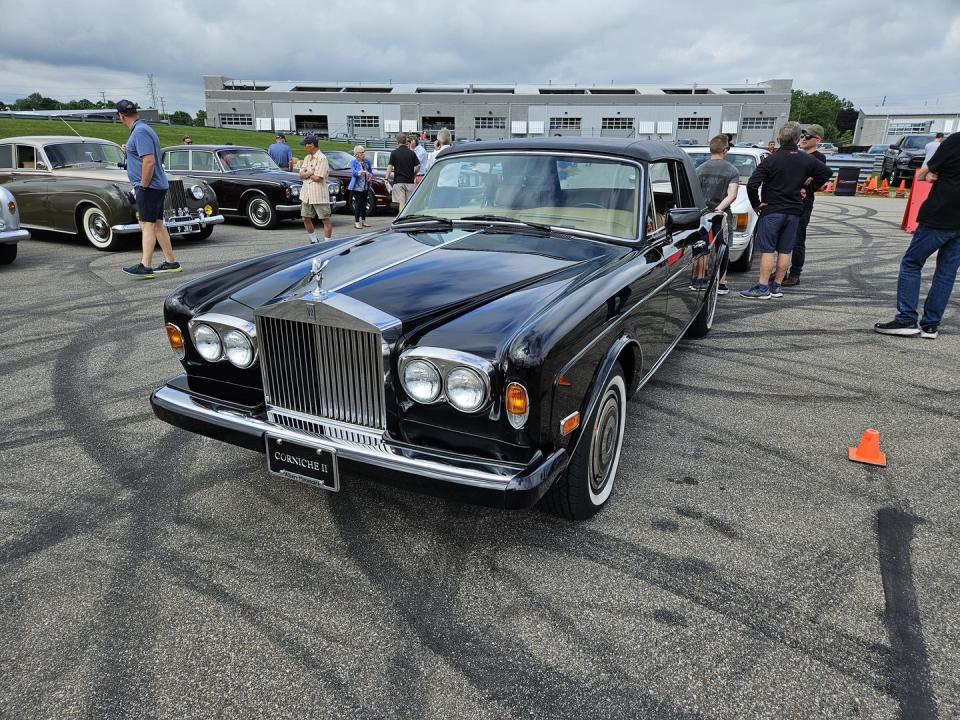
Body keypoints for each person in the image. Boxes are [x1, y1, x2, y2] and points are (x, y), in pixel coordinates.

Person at [874, 131, 960, 339]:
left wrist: (929, 175)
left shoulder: (956, 141)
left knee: (912, 263)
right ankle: (931, 324)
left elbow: (924, 172)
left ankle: (906, 319)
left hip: (941, 213)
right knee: (946, 272)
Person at [740, 121, 832, 299]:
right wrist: (809, 187)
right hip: (795, 210)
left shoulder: (771, 160)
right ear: (797, 139)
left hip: (772, 209)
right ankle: (777, 286)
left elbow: (752, 184)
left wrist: (756, 204)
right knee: (785, 249)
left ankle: (762, 287)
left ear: (779, 138)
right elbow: (826, 173)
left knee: (767, 250)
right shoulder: (807, 159)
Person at [116, 100, 180, 279]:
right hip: (156, 185)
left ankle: (145, 265)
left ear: (121, 116)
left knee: (147, 224)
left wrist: (142, 186)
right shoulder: (143, 129)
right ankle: (171, 262)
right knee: (158, 223)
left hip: (149, 186)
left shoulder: (140, 132)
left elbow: (149, 161)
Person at [782, 124, 830, 286]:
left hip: (803, 203)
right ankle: (781, 270)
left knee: (797, 238)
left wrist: (807, 186)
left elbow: (819, 180)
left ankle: (795, 273)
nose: (803, 139)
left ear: (817, 140)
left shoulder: (818, 158)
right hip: (788, 200)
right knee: (783, 238)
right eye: (802, 136)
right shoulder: (797, 155)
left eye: (807, 137)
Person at [691, 135, 740, 295]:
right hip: (722, 214)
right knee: (723, 246)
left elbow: (693, 194)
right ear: (725, 150)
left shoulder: (699, 169)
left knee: (700, 245)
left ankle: (697, 279)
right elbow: (732, 195)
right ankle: (721, 283)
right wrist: (719, 209)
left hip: (702, 214)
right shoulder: (732, 170)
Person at [298, 135, 332, 243]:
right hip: (306, 194)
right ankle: (314, 240)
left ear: (312, 145)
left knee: (325, 219)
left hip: (319, 194)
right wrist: (311, 172)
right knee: (305, 218)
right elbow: (300, 174)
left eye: (306, 145)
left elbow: (318, 178)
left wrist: (307, 173)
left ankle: (327, 243)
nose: (305, 147)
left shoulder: (322, 158)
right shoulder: (307, 157)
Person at [384, 133, 420, 212]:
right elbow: (418, 166)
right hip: (409, 181)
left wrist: (386, 178)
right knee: (409, 203)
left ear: (397, 142)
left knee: (402, 202)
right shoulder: (412, 153)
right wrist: (414, 174)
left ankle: (401, 219)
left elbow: (390, 166)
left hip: (398, 181)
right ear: (406, 142)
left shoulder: (394, 153)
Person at [349, 145, 373, 229]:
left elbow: (370, 171)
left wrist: (370, 176)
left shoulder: (367, 162)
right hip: (357, 187)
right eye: (362, 152)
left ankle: (363, 220)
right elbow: (353, 172)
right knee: (358, 204)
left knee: (364, 204)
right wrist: (360, 172)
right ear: (357, 154)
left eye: (364, 152)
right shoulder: (353, 162)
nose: (364, 154)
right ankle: (356, 222)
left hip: (366, 186)